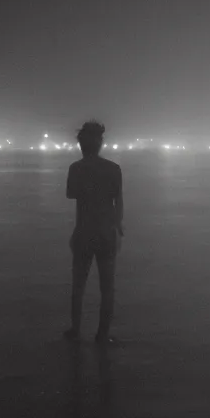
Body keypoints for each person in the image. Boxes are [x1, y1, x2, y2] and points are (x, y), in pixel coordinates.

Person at [64, 121, 124, 344]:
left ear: (81, 145)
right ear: (100, 144)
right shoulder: (113, 169)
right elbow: (118, 201)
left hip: (83, 233)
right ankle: (102, 335)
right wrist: (118, 226)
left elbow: (72, 195)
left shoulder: (76, 168)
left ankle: (75, 329)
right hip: (106, 233)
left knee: (78, 285)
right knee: (107, 288)